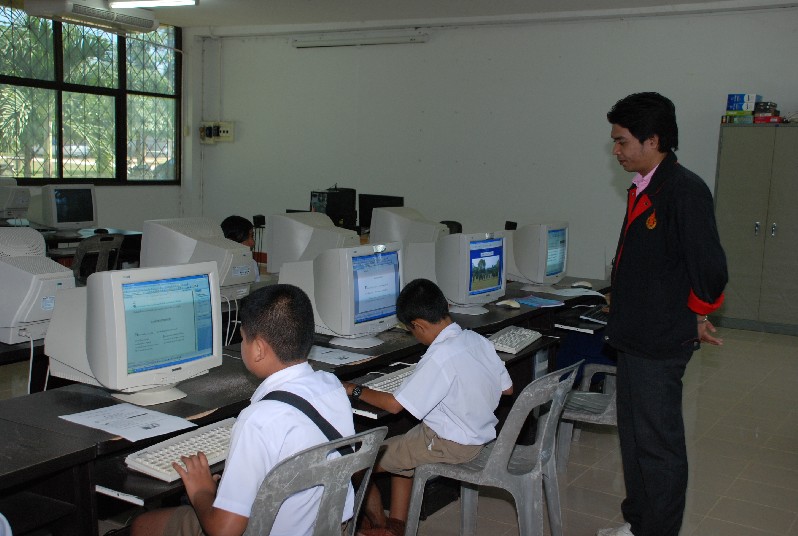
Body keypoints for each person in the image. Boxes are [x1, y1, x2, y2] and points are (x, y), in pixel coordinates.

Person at [130, 284, 356, 536]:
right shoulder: (332, 386)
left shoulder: (257, 421)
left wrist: (202, 491)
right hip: (332, 528)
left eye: (242, 338)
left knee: (143, 524)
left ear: (258, 349)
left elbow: (225, 531)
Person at [600, 92, 728, 536]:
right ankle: (639, 524)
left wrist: (697, 313)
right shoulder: (645, 185)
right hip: (635, 335)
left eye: (622, 141)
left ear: (652, 140)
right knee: (635, 439)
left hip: (658, 341)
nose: (616, 151)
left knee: (658, 447)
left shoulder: (684, 191)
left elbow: (710, 270)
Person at [342, 278, 513, 536]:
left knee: (356, 463)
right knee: (403, 445)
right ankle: (398, 525)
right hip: (476, 436)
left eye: (412, 330)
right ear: (445, 306)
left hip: (450, 445)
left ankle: (379, 526)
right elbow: (507, 389)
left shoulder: (439, 356)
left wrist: (353, 389)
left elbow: (394, 405)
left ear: (418, 325)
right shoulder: (476, 339)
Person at [221, 215, 259, 281]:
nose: (252, 243)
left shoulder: (252, 263)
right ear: (232, 240)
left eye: (252, 236)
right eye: (247, 237)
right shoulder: (216, 265)